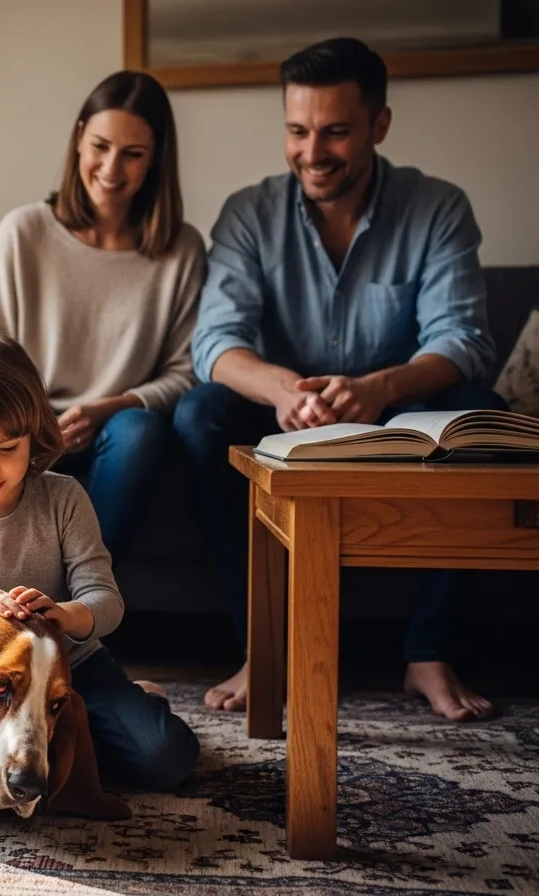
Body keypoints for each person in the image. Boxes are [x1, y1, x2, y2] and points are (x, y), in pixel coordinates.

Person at [173, 37, 505, 722]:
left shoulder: (439, 206)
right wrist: (284, 390)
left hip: (400, 415)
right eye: (297, 131)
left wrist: (381, 387)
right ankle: (266, 648)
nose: (312, 152)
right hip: (283, 414)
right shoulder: (247, 213)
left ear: (379, 126)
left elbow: (464, 340)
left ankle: (428, 653)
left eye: (335, 132)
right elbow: (215, 343)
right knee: (200, 413)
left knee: (479, 411)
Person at [0, 334, 200, 792]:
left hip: (69, 670)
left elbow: (106, 601)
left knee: (166, 759)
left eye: (7, 448)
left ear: (34, 434)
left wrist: (65, 613)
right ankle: (68, 742)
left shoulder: (65, 498)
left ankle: (133, 704)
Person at [0, 70, 205, 562]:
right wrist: (39, 427)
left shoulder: (180, 249)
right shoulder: (23, 232)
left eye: (133, 154)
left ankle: (73, 592)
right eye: (100, 146)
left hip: (117, 430)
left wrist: (103, 409)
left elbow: (187, 372)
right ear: (79, 139)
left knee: (141, 431)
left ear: (156, 158)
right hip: (30, 426)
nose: (112, 168)